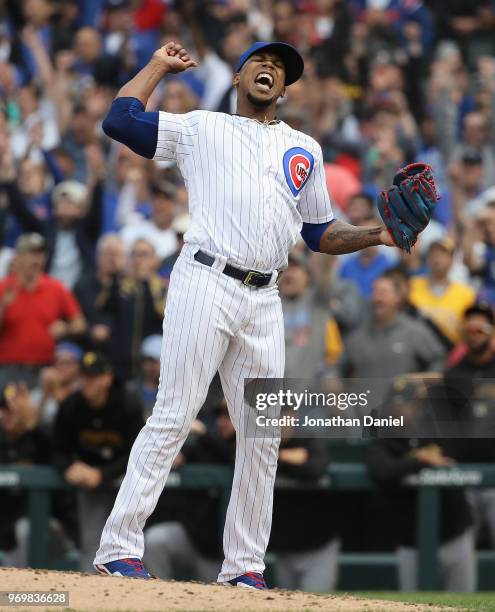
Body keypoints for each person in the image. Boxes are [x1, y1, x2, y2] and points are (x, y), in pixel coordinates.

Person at [92, 39, 413, 588]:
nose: (271, 69)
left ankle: (243, 566)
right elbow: (121, 121)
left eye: (281, 68)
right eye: (260, 62)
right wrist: (156, 67)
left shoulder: (304, 149)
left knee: (263, 435)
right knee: (173, 414)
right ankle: (118, 546)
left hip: (266, 298)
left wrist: (378, 234)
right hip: (205, 280)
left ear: (285, 89)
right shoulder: (202, 128)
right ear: (240, 77)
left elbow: (319, 235)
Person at [52, 352, 144, 572]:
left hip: (125, 483)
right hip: (88, 481)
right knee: (91, 542)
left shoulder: (126, 403)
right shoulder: (71, 405)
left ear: (107, 379)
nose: (86, 382)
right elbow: (57, 449)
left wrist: (103, 474)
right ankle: (90, 598)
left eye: (92, 377)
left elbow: (139, 452)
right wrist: (68, 467)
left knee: (130, 544)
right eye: (84, 376)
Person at [339, 274, 446, 407]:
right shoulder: (357, 336)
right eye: (374, 292)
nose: (377, 298)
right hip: (363, 417)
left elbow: (440, 361)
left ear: (397, 298)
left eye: (383, 292)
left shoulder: (413, 331)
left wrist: (425, 386)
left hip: (402, 417)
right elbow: (337, 369)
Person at [0, 233, 85, 389]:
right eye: (31, 254)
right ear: (18, 257)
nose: (37, 260)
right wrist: (3, 307)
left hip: (45, 369)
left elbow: (80, 323)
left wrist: (65, 328)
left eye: (40, 254)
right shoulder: (4, 288)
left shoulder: (56, 288)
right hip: (8, 369)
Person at [409, 238, 475, 345]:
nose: (437, 258)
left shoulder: (466, 294)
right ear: (427, 259)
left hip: (450, 353)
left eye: (442, 254)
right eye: (433, 254)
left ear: (452, 260)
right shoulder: (412, 286)